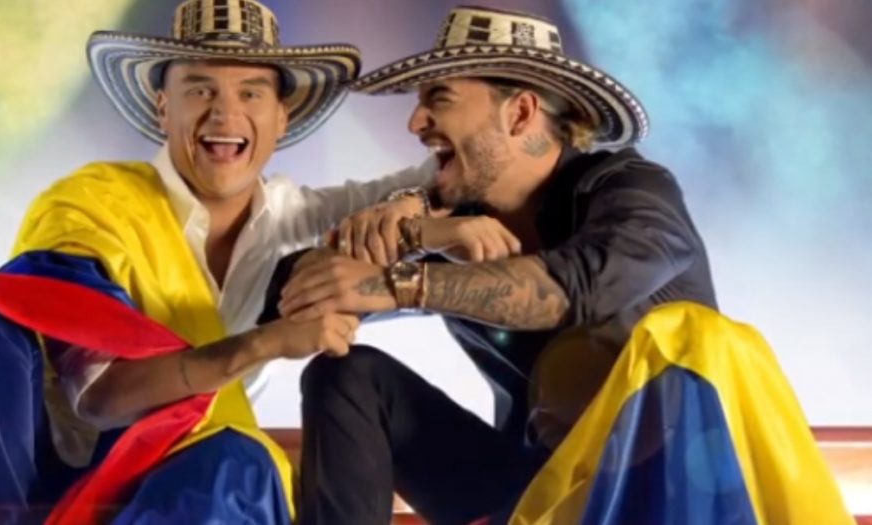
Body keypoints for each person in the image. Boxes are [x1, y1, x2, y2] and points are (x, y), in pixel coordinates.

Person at [271, 6, 849, 525]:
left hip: (664, 494)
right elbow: (284, 301)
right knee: (346, 377)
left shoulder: (634, 194)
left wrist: (398, 283)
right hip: (536, 494)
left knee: (690, 335)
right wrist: (416, 233)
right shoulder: (451, 217)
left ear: (520, 112)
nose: (415, 123)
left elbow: (573, 287)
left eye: (439, 99)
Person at [0, 1, 431, 523]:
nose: (226, 112)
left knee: (234, 467)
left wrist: (417, 209)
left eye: (251, 92)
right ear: (163, 107)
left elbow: (445, 179)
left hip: (208, 480)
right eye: (200, 89)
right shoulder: (94, 208)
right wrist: (266, 343)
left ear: (281, 117)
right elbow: (101, 397)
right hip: (70, 482)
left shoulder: (300, 218)